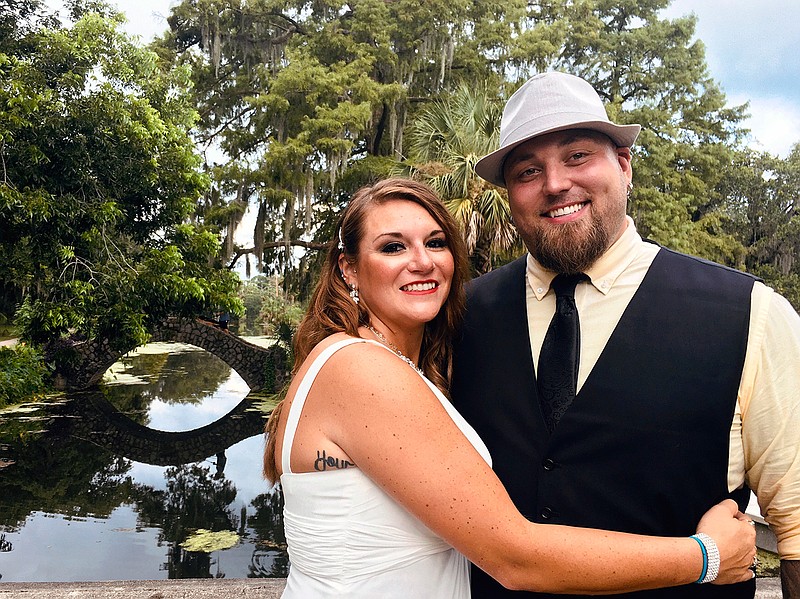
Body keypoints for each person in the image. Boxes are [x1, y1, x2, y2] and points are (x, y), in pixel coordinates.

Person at [262, 177, 756, 598]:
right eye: (393, 247)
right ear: (349, 268)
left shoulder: (388, 364)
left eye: (436, 243)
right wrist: (706, 557)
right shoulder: (362, 371)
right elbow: (513, 556)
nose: (422, 261)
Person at [452, 71, 800, 598]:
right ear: (509, 195)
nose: (554, 184)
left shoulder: (751, 314)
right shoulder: (461, 317)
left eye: (576, 156)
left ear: (623, 163)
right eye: (527, 170)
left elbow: (794, 528)